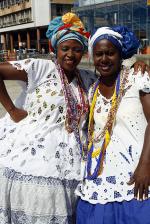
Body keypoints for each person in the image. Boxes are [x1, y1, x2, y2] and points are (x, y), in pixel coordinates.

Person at [0, 13, 149, 223]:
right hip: (33, 160)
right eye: (65, 48)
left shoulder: (88, 79)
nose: (71, 54)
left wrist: (137, 64)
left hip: (71, 165)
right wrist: (13, 110)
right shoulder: (41, 67)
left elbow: (114, 73)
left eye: (77, 49)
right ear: (55, 49)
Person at [76, 26, 150, 224]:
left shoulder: (137, 78)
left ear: (120, 54)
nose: (104, 59)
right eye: (99, 54)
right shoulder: (92, 89)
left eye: (110, 53)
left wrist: (145, 166)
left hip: (138, 173)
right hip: (101, 175)